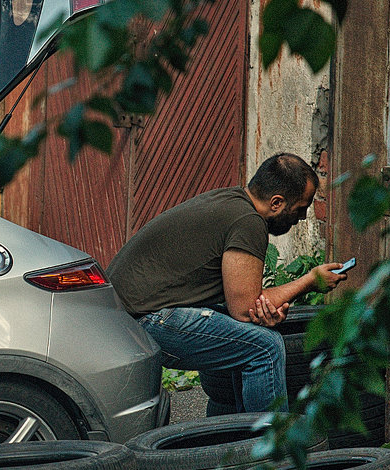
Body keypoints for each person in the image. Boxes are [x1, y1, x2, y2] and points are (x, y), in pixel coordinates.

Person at [105, 152, 348, 414]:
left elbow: (244, 308)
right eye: (301, 207)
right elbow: (244, 308)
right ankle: (265, 450)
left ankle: (229, 437)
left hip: (125, 316)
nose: (301, 217)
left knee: (246, 338)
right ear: (276, 202)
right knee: (265, 348)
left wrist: (261, 310)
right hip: (143, 323)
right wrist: (310, 281)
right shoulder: (248, 222)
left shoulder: (233, 201)